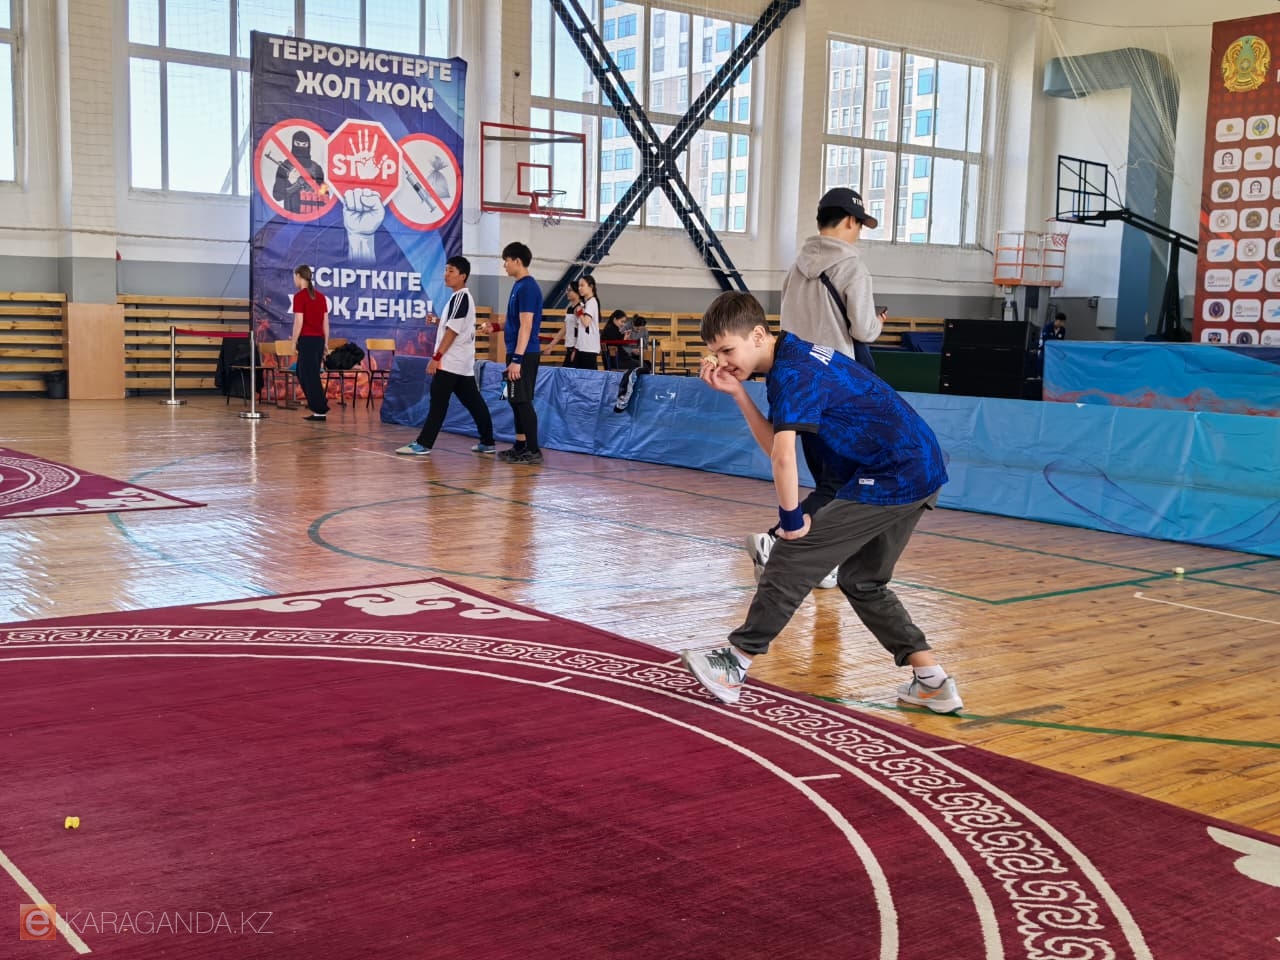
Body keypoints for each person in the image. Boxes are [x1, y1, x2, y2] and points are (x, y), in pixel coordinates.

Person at [681, 291, 960, 714]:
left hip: (892, 473)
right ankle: (933, 681)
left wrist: (791, 520)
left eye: (726, 350)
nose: (720, 360)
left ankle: (733, 663)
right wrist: (739, 394)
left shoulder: (793, 371)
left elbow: (783, 457)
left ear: (757, 335)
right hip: (915, 467)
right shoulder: (789, 359)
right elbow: (777, 441)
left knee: (791, 555)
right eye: (714, 353)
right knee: (863, 580)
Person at [747, 187, 885, 589]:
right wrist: (877, 322)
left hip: (797, 384)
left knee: (829, 478)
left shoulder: (795, 268)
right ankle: (776, 541)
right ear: (848, 220)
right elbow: (862, 329)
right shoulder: (853, 268)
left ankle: (819, 558)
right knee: (842, 482)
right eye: (859, 224)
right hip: (838, 388)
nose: (859, 233)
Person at [394, 256, 496, 457]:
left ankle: (424, 443)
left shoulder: (461, 298)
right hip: (461, 364)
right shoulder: (459, 298)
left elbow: (453, 332)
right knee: (474, 403)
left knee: (438, 403)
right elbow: (456, 325)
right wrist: (439, 321)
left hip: (450, 363)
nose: (446, 274)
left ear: (463, 276)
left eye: (451, 271)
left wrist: (436, 357)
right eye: (446, 270)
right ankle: (488, 441)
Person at [499, 242, 544, 464]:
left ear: (517, 261)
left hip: (524, 354)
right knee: (514, 399)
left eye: (506, 260)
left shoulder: (528, 287)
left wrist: (517, 360)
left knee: (523, 400)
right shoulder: (517, 286)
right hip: (514, 352)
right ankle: (520, 445)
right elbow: (515, 322)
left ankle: (534, 450)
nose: (504, 265)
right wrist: (496, 328)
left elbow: (526, 326)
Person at [291, 265, 330, 421]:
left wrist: (294, 342)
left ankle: (320, 408)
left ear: (299, 276)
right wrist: (325, 342)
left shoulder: (300, 297)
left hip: (307, 340)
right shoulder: (320, 297)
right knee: (305, 373)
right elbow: (326, 322)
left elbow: (298, 321)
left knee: (310, 375)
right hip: (318, 340)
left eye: (295, 277)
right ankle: (318, 406)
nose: (294, 280)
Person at [273, 131, 326, 214]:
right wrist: (289, 182)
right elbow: (277, 196)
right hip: (291, 216)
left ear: (309, 146)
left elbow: (325, 194)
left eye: (304, 145)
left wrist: (314, 186)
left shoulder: (316, 168)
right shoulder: (285, 166)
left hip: (312, 214)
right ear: (293, 144)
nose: (301, 148)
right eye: (297, 144)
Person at [544, 286, 581, 365]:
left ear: (577, 292)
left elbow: (582, 331)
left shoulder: (580, 308)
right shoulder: (570, 309)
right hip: (570, 348)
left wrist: (575, 350)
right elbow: (564, 329)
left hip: (578, 350)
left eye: (570, 290)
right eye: (567, 290)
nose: (567, 292)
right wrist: (551, 345)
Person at [572, 275, 602, 370]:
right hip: (583, 346)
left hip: (589, 347)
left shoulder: (592, 302)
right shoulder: (586, 303)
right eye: (579, 286)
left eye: (582, 285)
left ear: (591, 287)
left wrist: (580, 311)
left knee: (589, 378)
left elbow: (586, 323)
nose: (579, 288)